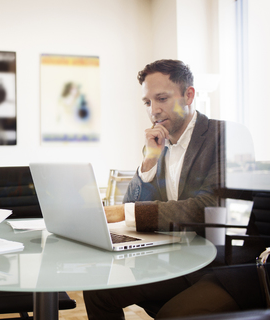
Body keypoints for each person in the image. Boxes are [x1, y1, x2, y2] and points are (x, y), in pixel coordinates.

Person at [84, 59, 236, 319]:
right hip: (177, 260)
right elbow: (132, 201)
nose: (153, 110)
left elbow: (211, 207)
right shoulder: (159, 144)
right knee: (97, 290)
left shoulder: (225, 135)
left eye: (162, 98)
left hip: (222, 266)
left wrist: (126, 212)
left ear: (188, 95)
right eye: (147, 102)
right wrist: (149, 161)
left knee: (172, 314)